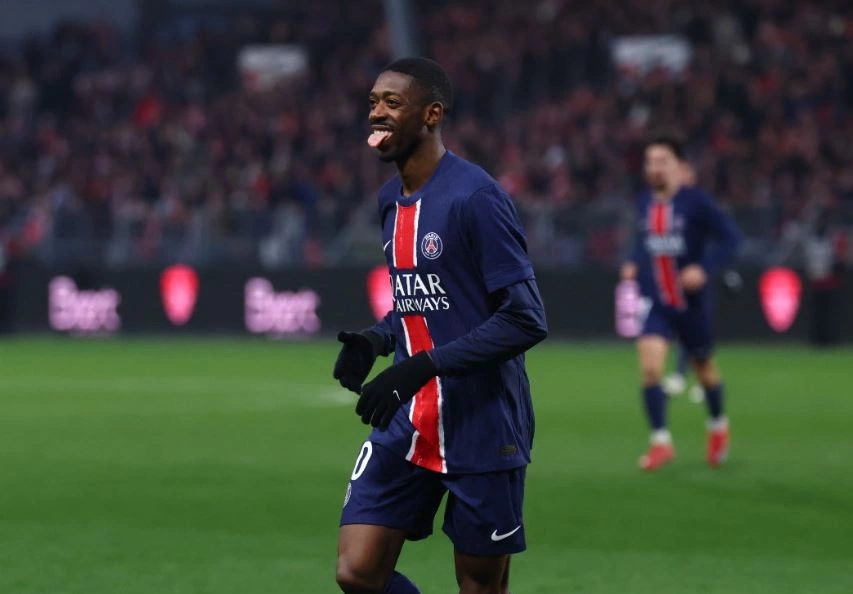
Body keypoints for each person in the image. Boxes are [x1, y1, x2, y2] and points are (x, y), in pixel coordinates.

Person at [332, 57, 548, 594]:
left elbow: (525, 319)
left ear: (432, 114)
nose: (377, 113)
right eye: (373, 102)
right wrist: (378, 338)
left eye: (392, 103)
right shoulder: (390, 201)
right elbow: (423, 301)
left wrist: (422, 365)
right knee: (357, 572)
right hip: (409, 419)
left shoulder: (477, 198)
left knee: (480, 586)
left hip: (483, 424)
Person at [621, 133, 741, 471]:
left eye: (662, 161)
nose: (655, 167)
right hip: (656, 301)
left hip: (692, 304)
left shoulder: (696, 202)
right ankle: (660, 441)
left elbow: (731, 239)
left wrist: (704, 268)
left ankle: (718, 424)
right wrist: (633, 261)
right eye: (650, 161)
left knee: (705, 370)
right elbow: (643, 242)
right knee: (650, 369)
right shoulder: (645, 202)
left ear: (678, 165)